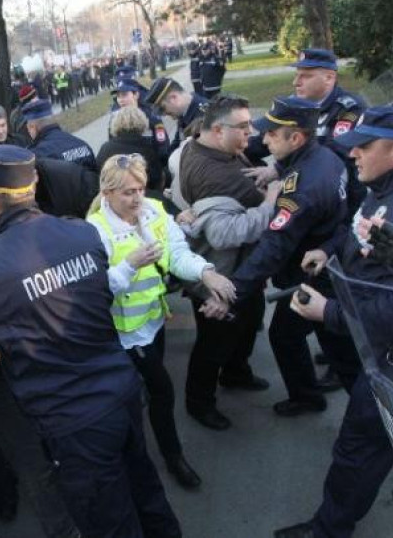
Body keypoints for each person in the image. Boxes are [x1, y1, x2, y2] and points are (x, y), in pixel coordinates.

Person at [0, 144, 182, 538]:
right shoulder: (80, 232)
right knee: (147, 494)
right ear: (31, 185)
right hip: (121, 392)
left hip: (73, 420)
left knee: (109, 521)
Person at [274, 106, 393, 538]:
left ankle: (328, 530)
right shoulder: (387, 184)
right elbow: (361, 230)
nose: (353, 154)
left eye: (364, 146)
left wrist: (327, 313)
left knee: (358, 447)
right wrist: (330, 250)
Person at [86, 153, 235, 488]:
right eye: (127, 192)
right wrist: (129, 265)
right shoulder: (95, 231)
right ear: (107, 193)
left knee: (149, 392)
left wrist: (206, 272)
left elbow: (178, 254)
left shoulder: (154, 211)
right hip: (126, 333)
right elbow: (95, 290)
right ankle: (170, 457)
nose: (137, 197)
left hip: (154, 320)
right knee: (162, 391)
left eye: (140, 188)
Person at [208, 96, 353, 417]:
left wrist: (231, 292)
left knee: (287, 336)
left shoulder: (302, 188)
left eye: (273, 134)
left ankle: (317, 399)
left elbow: (274, 246)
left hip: (311, 275)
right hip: (328, 262)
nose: (264, 138)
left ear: (296, 138)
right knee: (332, 337)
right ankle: (353, 392)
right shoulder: (326, 158)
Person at [170, 95, 274, 429]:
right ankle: (199, 403)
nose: (251, 132)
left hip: (235, 267)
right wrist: (273, 194)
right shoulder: (216, 175)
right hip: (218, 271)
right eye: (243, 127)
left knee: (249, 319)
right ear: (217, 130)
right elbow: (257, 214)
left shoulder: (197, 145)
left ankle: (236, 372)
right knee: (213, 342)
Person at [244, 49, 367, 215]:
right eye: (297, 74)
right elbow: (269, 137)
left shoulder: (349, 108)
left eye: (306, 76)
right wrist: (236, 146)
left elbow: (333, 155)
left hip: (339, 200)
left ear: (329, 78)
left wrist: (279, 169)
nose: (296, 82)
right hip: (302, 188)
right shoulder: (296, 102)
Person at [108, 77, 170, 182]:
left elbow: (163, 149)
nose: (121, 100)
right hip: (124, 176)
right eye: (118, 96)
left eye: (124, 95)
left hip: (150, 174)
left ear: (136, 95)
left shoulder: (151, 119)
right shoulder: (114, 121)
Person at [97, 106, 163, 191]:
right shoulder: (149, 148)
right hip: (145, 196)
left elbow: (99, 176)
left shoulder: (106, 149)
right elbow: (156, 177)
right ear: (142, 121)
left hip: (115, 198)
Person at [23, 99, 97, 170]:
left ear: (32, 127)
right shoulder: (82, 145)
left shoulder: (38, 156)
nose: (28, 132)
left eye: (28, 129)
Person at [145, 77, 208, 152]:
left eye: (162, 108)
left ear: (173, 98)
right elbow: (176, 145)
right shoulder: (184, 113)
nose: (164, 114)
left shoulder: (204, 116)